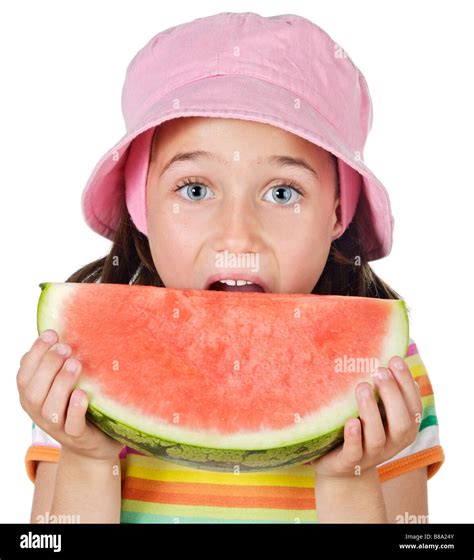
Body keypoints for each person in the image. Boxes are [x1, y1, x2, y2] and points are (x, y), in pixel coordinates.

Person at [17, 12, 444, 524]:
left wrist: (348, 482)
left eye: (282, 193)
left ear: (336, 212)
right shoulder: (78, 369)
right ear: (140, 206)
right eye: (195, 190)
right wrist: (89, 458)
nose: (238, 234)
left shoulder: (384, 376)